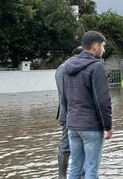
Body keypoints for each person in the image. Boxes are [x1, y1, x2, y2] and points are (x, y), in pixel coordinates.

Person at [61, 31, 113, 179]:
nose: (104, 49)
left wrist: (68, 120)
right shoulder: (96, 67)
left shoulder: (67, 66)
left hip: (72, 125)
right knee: (91, 169)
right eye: (103, 46)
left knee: (75, 167)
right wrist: (108, 126)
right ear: (96, 46)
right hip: (90, 126)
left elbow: (64, 98)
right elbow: (103, 100)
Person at [55, 46, 82, 179]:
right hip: (69, 114)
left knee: (83, 145)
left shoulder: (74, 67)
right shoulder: (64, 68)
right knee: (66, 145)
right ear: (77, 56)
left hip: (78, 114)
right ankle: (62, 175)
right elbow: (65, 94)